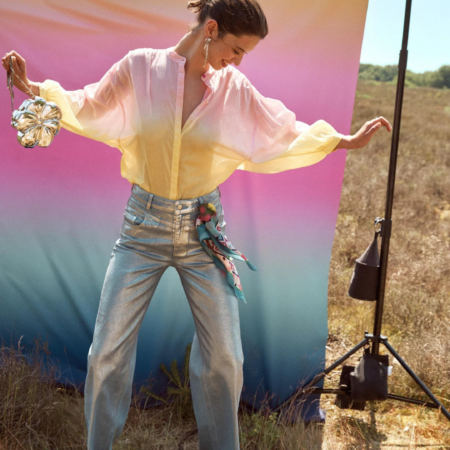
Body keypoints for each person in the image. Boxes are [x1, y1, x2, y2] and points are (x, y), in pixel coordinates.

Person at [2, 0, 392, 448]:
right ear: (211, 29)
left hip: (204, 233)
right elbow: (88, 105)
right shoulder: (140, 68)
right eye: (236, 49)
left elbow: (280, 130)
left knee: (226, 356)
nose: (238, 60)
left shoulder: (234, 88)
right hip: (141, 231)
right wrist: (33, 88)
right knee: (106, 353)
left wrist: (342, 141)